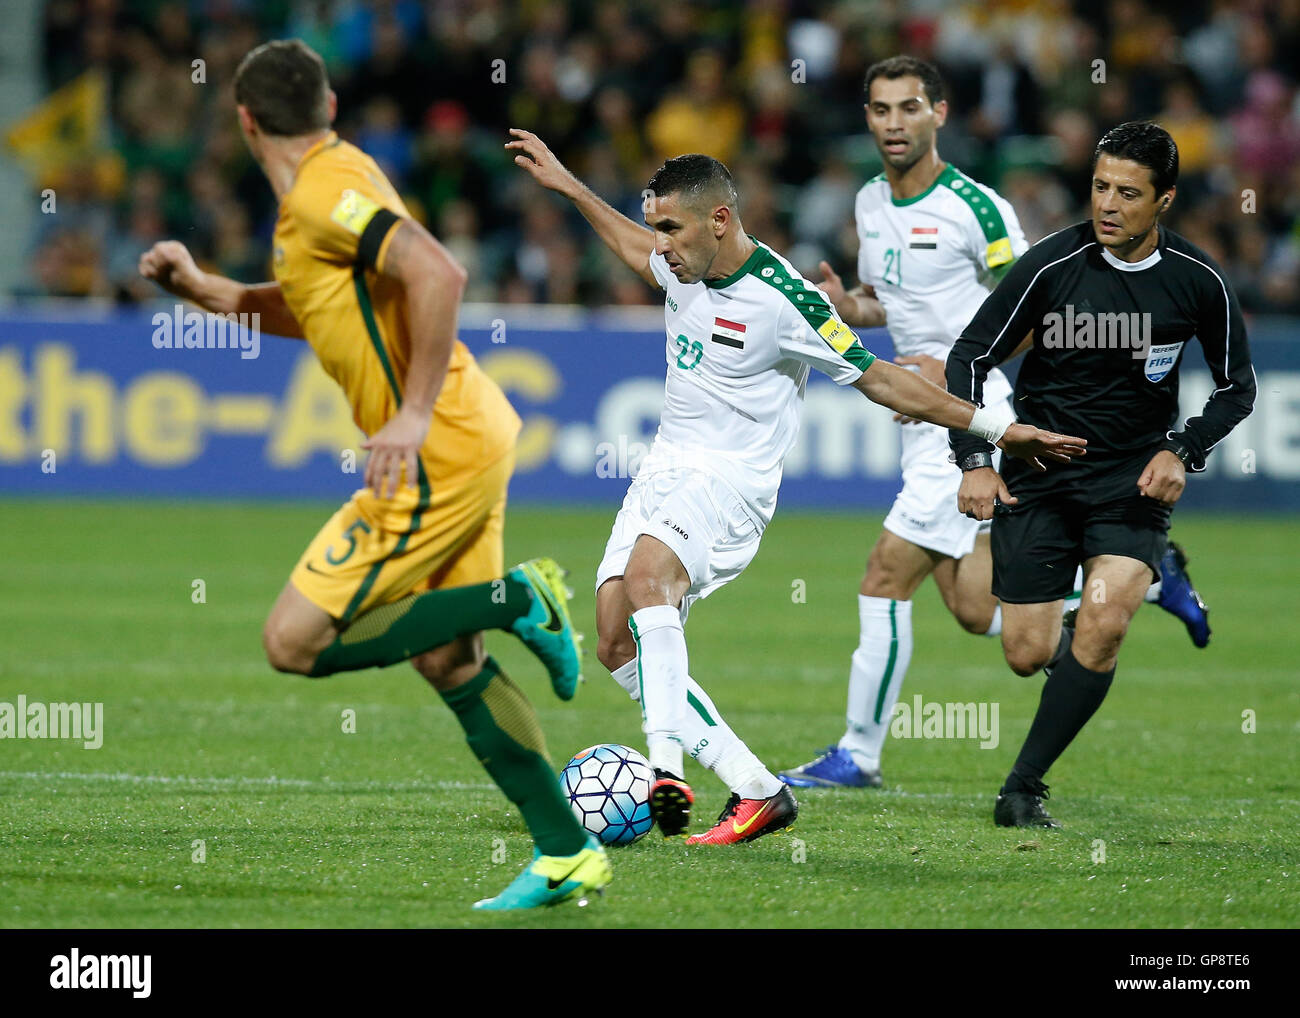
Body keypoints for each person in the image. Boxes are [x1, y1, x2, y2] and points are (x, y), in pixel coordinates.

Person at [507, 128, 1085, 843]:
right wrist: (567, 183)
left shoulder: (783, 298)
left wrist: (995, 428)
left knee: (652, 579)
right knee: (613, 639)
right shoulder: (681, 265)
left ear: (720, 220)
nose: (659, 245)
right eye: (656, 226)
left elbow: (879, 379)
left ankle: (665, 768)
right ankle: (757, 789)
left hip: (730, 483)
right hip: (664, 468)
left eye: (670, 228)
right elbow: (631, 248)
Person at [139, 39, 609, 910]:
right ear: (329, 108)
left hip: (438, 450)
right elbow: (326, 300)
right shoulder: (333, 181)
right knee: (444, 656)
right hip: (468, 436)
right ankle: (565, 851)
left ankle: (521, 598)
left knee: (292, 641)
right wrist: (216, 293)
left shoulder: (322, 194)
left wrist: (411, 412)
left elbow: (438, 270)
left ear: (243, 120)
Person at [781, 57, 1214, 793]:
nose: (893, 123)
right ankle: (1136, 584)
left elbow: (1037, 308)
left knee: (885, 575)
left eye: (909, 108)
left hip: (971, 415)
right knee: (974, 605)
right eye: (880, 109)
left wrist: (948, 368)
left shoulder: (976, 210)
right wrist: (852, 308)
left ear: (939, 114)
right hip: (920, 412)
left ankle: (858, 752)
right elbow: (889, 297)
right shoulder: (867, 203)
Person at [945, 121, 1256, 827]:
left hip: (1131, 482)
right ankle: (1158, 579)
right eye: (1099, 187)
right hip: (1042, 475)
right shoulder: (1052, 265)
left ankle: (1021, 789)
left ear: (1165, 200)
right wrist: (977, 460)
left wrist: (1183, 448)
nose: (1108, 205)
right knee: (1025, 653)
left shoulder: (1198, 279)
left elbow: (1238, 387)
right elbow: (968, 358)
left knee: (1103, 623)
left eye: (1128, 193)